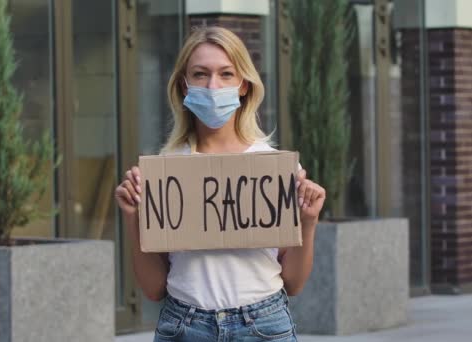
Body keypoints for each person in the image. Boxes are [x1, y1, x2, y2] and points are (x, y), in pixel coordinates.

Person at [115, 26, 326, 342]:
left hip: (263, 326)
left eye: (226, 74)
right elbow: (154, 287)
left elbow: (293, 283)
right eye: (200, 74)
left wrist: (308, 222)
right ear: (184, 85)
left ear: (243, 85)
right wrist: (133, 216)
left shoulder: (275, 168)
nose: (213, 86)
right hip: (184, 325)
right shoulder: (165, 170)